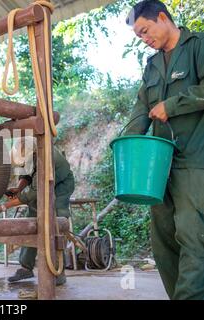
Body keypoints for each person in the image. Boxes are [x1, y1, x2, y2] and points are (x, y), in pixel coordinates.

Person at [124, 0, 204, 299]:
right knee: (163, 242)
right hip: (159, 165)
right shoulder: (153, 64)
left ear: (162, 17)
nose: (145, 40)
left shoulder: (198, 45)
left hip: (195, 161)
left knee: (193, 237)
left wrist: (171, 105)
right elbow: (142, 107)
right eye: (139, 37)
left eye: (145, 31)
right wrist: (128, 141)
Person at [0, 137, 75, 285]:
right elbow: (26, 175)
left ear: (32, 154)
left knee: (55, 225)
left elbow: (32, 193)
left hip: (60, 187)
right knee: (32, 224)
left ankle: (59, 272)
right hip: (40, 185)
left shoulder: (46, 159)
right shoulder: (30, 152)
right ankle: (26, 268)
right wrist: (18, 188)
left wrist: (2, 207)